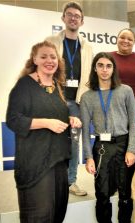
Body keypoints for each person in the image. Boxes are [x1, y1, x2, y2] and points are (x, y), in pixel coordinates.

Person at [6, 40, 81, 223]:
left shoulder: (57, 86)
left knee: (58, 206)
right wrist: (46, 122)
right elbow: (14, 120)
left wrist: (70, 118)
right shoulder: (25, 85)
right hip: (35, 160)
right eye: (44, 56)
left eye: (53, 57)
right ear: (34, 60)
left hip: (58, 157)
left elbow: (57, 113)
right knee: (39, 211)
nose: (50, 60)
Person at [80, 52, 135, 223]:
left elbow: (133, 124)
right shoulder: (87, 97)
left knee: (125, 191)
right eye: (100, 65)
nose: (104, 69)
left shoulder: (125, 91)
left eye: (108, 66)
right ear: (95, 69)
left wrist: (131, 150)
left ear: (114, 69)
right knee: (102, 193)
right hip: (101, 148)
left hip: (122, 146)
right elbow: (85, 131)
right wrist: (88, 156)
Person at [46, 1, 93, 196]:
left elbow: (90, 75)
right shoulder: (51, 42)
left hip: (78, 102)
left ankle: (70, 181)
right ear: (63, 18)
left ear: (82, 22)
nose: (73, 18)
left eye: (77, 16)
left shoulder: (87, 47)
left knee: (74, 142)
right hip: (56, 99)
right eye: (70, 14)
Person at [111, 28, 135, 203]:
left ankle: (133, 183)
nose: (125, 41)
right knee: (117, 146)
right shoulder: (108, 57)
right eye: (122, 37)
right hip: (114, 107)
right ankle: (116, 183)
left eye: (130, 39)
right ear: (117, 39)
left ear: (134, 42)